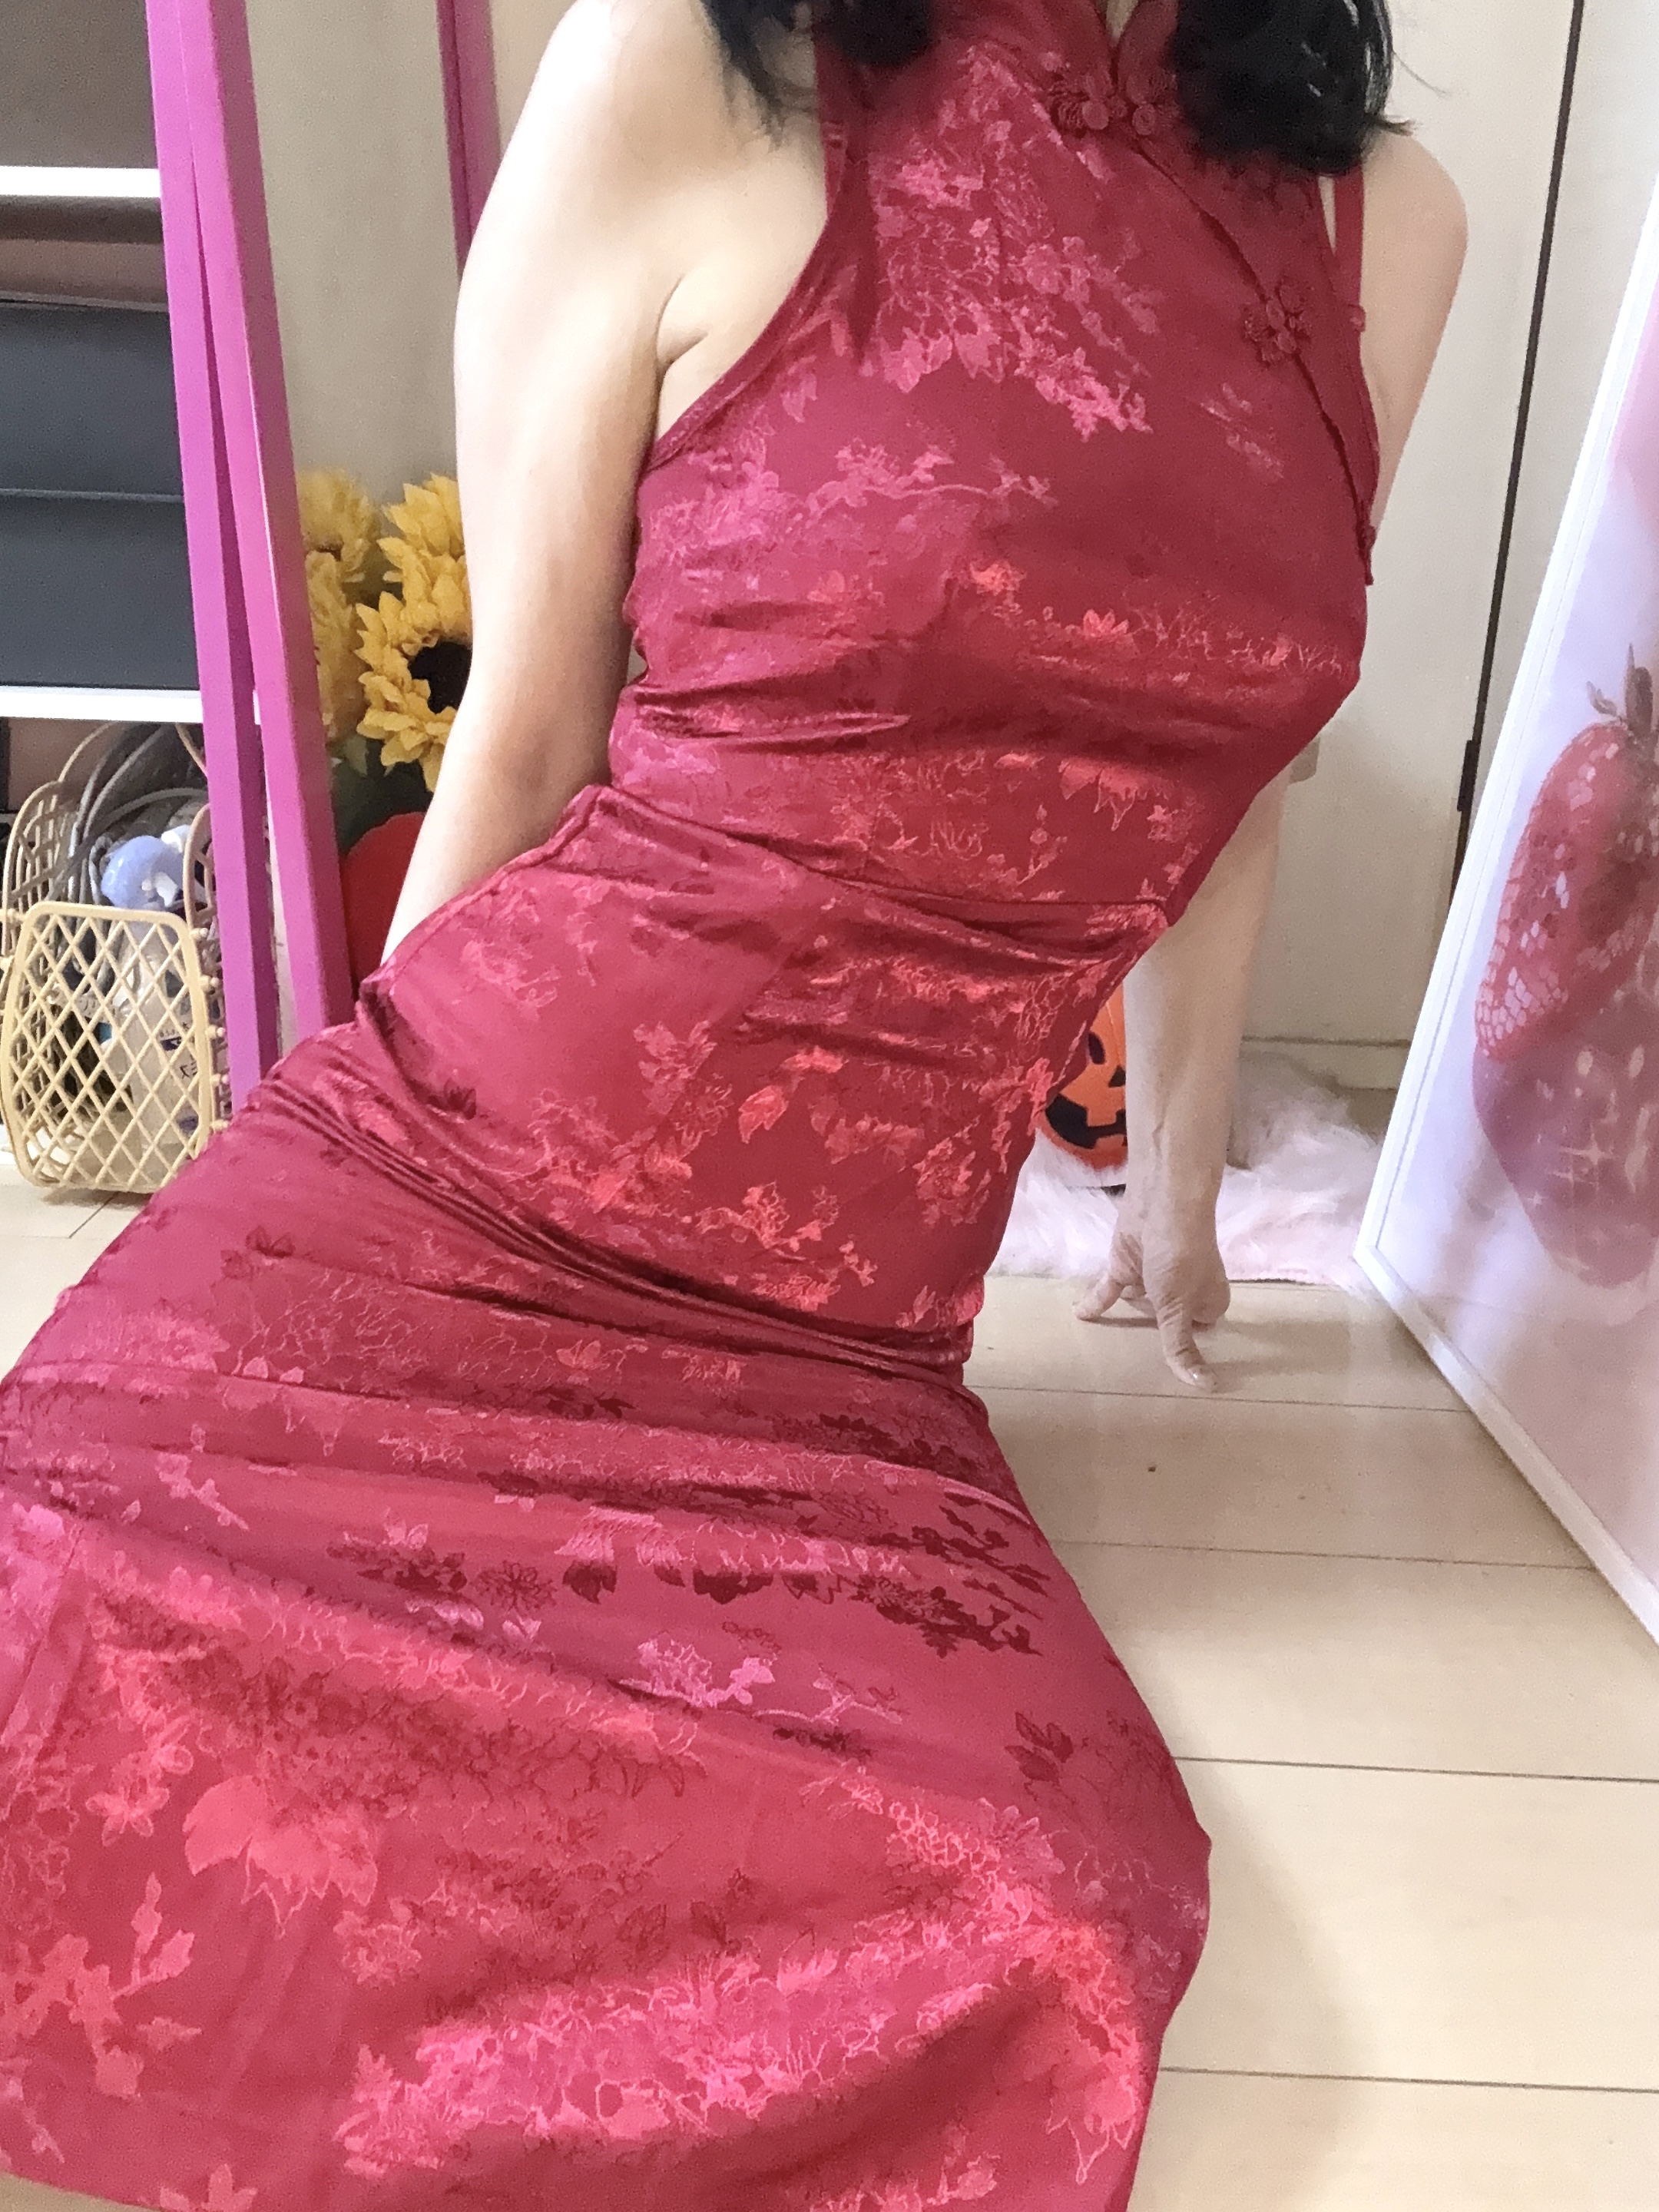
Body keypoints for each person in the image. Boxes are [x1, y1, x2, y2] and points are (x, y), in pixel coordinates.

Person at [0, 1, 1463, 2205]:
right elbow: (523, 737)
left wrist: (1177, 1197)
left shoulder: (1382, 225)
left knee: (1038, 1930)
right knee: (48, 1593)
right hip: (473, 1173)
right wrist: (338, 1146)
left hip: (831, 1372)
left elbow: (1236, 773)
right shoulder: (686, 68)